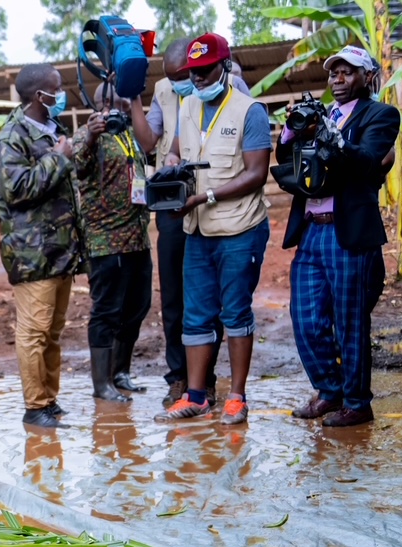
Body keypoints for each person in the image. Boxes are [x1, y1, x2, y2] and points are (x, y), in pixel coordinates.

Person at [277, 46, 399, 427]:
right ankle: (330, 391)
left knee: (350, 322)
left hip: (348, 230)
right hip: (312, 230)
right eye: (334, 74)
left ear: (367, 77)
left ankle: (358, 403)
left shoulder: (381, 115)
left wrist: (333, 136)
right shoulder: (321, 114)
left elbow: (366, 162)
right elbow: (287, 163)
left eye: (348, 72)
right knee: (306, 318)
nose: (338, 80)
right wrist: (294, 130)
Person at [157, 33, 272, 426]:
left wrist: (204, 197)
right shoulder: (188, 106)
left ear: (224, 67)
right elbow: (177, 148)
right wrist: (171, 166)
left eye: (205, 71)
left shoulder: (249, 111)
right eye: (194, 72)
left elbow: (257, 174)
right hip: (198, 230)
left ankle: (237, 398)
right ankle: (196, 396)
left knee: (235, 312)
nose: (199, 79)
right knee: (196, 315)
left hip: (239, 228)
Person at [131, 38, 252, 407]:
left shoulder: (233, 86)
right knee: (174, 297)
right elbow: (152, 142)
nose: (187, 83)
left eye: (188, 75)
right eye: (174, 78)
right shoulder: (165, 92)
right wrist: (133, 100)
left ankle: (209, 380)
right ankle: (179, 377)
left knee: (213, 298)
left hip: (217, 205)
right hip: (176, 203)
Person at [0, 63, 86, 429]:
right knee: (34, 330)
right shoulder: (13, 136)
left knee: (53, 330)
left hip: (60, 251)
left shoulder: (50, 129)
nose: (61, 95)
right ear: (38, 95)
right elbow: (17, 189)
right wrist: (59, 157)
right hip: (33, 253)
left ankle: (50, 400)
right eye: (55, 89)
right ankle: (35, 405)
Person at [72, 81, 152, 402]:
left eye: (122, 102)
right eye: (112, 103)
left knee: (137, 307)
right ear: (99, 104)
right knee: (107, 311)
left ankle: (121, 372)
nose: (118, 108)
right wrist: (91, 134)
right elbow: (76, 164)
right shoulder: (87, 134)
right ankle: (101, 384)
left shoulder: (128, 133)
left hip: (137, 238)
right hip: (106, 242)